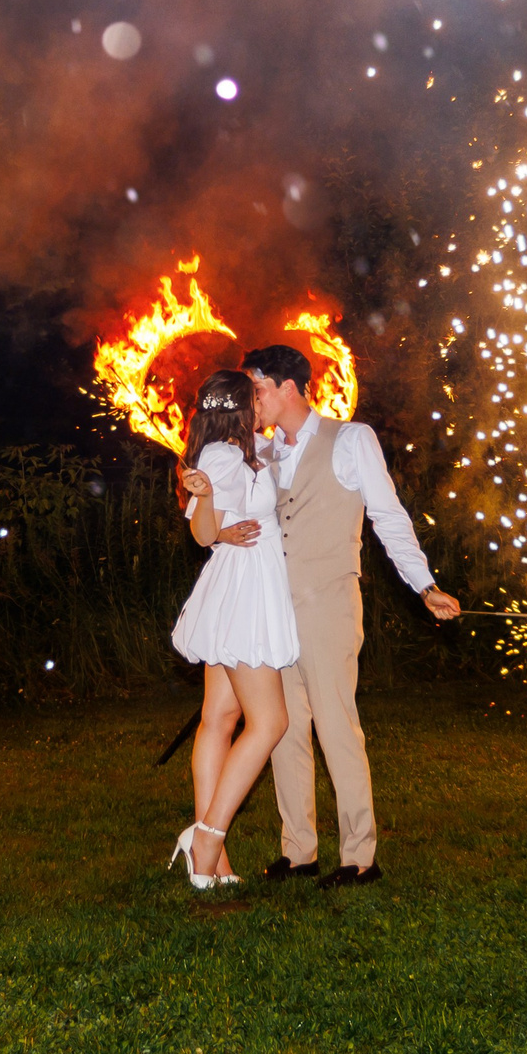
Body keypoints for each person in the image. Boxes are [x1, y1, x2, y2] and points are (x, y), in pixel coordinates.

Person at [184, 343, 459, 889]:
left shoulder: (351, 440)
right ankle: (299, 850)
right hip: (271, 611)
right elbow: (216, 490)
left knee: (337, 726)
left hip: (329, 603)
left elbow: (387, 515)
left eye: (257, 390)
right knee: (283, 731)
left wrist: (423, 584)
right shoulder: (257, 450)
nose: (250, 401)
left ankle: (359, 857)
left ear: (287, 388)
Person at [166, 371, 300, 890]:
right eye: (256, 398)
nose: (262, 405)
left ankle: (212, 856)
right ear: (242, 409)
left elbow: (213, 528)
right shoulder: (222, 456)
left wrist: (212, 513)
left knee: (219, 718)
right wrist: (200, 497)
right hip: (244, 588)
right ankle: (207, 839)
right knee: (269, 723)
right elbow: (202, 535)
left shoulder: (244, 452)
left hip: (241, 580)